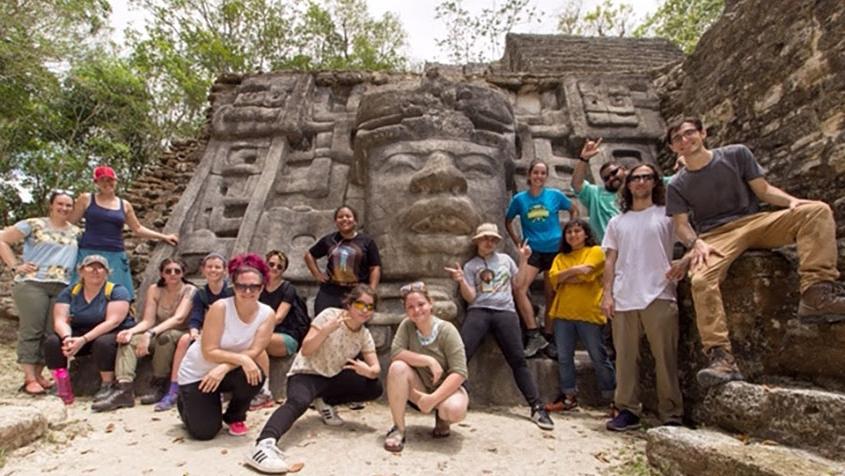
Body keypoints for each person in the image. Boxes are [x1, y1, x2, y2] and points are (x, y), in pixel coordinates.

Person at [665, 117, 845, 388]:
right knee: (701, 281)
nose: (684, 140)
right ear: (672, 148)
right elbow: (681, 225)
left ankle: (816, 291)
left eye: (689, 133)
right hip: (716, 236)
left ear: (703, 133)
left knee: (816, 211)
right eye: (677, 139)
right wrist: (695, 245)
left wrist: (792, 201)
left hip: (754, 221)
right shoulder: (676, 184)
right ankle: (720, 357)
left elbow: (763, 190)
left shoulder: (736, 154)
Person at [245, 285, 382, 474]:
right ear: (349, 304)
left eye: (370, 307)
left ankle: (324, 402)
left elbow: (375, 368)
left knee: (374, 387)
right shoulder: (329, 315)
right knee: (298, 402)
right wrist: (325, 330)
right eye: (360, 304)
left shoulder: (364, 334)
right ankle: (263, 444)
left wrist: (368, 371)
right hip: (306, 373)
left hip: (332, 377)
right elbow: (307, 349)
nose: (365, 310)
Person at [601, 164, 687, 431]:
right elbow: (610, 260)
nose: (640, 182)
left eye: (646, 177)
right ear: (628, 185)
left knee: (665, 357)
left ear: (654, 182)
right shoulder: (618, 221)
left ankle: (671, 412)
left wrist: (684, 261)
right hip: (625, 295)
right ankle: (627, 409)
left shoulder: (668, 215)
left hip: (659, 292)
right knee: (625, 358)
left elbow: (692, 240)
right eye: (635, 178)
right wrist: (607, 294)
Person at [444, 223, 554, 430]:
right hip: (479, 310)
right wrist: (460, 280)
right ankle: (452, 399)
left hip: (505, 312)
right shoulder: (471, 266)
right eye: (486, 238)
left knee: (518, 359)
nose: (489, 242)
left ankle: (537, 406)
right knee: (460, 355)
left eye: (493, 239)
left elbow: (519, 285)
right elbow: (471, 297)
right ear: (477, 241)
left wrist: (523, 260)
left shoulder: (505, 260)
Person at [176, 253, 274, 440]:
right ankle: (185, 401)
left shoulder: (267, 314)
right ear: (233, 286)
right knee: (205, 433)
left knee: (255, 375)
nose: (247, 291)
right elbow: (209, 350)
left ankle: (235, 415)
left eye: (254, 286)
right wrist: (241, 359)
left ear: (262, 287)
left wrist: (224, 367)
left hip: (225, 370)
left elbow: (254, 350)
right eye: (241, 286)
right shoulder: (220, 307)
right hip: (198, 373)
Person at [0, 190, 80, 395]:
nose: (64, 208)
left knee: (51, 333)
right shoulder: (34, 224)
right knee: (32, 329)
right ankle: (28, 378)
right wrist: (15, 266)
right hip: (33, 284)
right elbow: (2, 240)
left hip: (62, 286)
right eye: (60, 204)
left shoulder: (76, 232)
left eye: (68, 205)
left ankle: (39, 374)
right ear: (51, 205)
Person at [92, 258, 196, 412]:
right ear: (162, 274)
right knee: (129, 341)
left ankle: (159, 384)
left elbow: (178, 318)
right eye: (168, 271)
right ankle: (124, 388)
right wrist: (131, 332)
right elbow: (148, 320)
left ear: (183, 273)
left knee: (165, 337)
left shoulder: (189, 290)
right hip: (156, 330)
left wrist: (149, 333)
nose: (173, 274)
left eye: (177, 271)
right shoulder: (155, 289)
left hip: (180, 332)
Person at [505, 159, 580, 358]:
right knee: (519, 287)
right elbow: (508, 220)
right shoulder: (520, 199)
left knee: (551, 294)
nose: (539, 176)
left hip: (555, 250)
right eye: (535, 172)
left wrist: (569, 232)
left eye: (542, 173)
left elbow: (573, 209)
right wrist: (518, 242)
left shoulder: (554, 196)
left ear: (546, 176)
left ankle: (549, 335)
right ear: (529, 175)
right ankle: (533, 333)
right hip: (534, 251)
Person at [70, 165, 178, 300]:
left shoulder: (124, 205)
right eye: (102, 180)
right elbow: (70, 223)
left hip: (115, 253)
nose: (106, 183)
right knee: (80, 292)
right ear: (96, 182)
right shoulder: (86, 199)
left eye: (110, 180)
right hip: (89, 251)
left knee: (117, 295)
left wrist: (163, 236)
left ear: (115, 181)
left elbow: (137, 228)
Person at [384, 281, 469, 453]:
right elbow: (396, 352)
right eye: (410, 307)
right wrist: (428, 360)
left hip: (446, 390)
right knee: (397, 367)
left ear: (430, 304)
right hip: (419, 387)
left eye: (421, 304)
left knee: (453, 410)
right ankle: (398, 428)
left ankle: (442, 419)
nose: (417, 310)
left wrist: (432, 399)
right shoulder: (407, 326)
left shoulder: (447, 330)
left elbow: (459, 372)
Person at [43, 255, 135, 405]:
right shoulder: (70, 292)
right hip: (79, 333)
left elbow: (113, 321)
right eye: (90, 267)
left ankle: (107, 384)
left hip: (109, 333)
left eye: (100, 267)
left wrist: (84, 339)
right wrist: (67, 338)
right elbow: (59, 319)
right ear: (81, 271)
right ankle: (62, 385)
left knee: (103, 343)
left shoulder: (117, 291)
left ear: (107, 272)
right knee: (53, 342)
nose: (95, 271)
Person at [545, 219, 615, 412]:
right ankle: (568, 397)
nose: (573, 235)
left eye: (577, 231)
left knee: (598, 356)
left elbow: (587, 273)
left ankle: (614, 398)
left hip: (589, 313)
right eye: (569, 232)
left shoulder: (595, 252)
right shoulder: (560, 256)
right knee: (565, 357)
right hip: (563, 313)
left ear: (586, 234)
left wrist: (565, 276)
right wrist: (574, 273)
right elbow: (553, 279)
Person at [154, 252, 231, 411]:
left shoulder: (230, 292)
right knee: (184, 340)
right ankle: (174, 389)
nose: (213, 270)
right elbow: (196, 316)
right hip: (207, 331)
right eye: (209, 267)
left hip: (228, 331)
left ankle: (218, 389)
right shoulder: (201, 293)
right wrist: (194, 331)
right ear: (203, 270)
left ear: (225, 271)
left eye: (217, 267)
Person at [251, 250, 311, 410]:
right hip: (261, 334)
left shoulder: (287, 289)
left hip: (286, 336)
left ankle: (264, 393)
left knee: (259, 342)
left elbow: (278, 317)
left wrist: (255, 328)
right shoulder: (257, 286)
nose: (275, 268)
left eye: (279, 266)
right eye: (271, 264)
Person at [304, 205, 381, 316]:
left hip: (356, 292)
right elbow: (309, 255)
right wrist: (317, 274)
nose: (344, 219)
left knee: (352, 325)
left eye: (348, 216)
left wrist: (371, 291)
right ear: (336, 221)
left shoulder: (367, 242)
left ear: (355, 221)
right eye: (340, 217)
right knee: (323, 322)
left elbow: (375, 267)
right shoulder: (329, 240)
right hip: (330, 292)